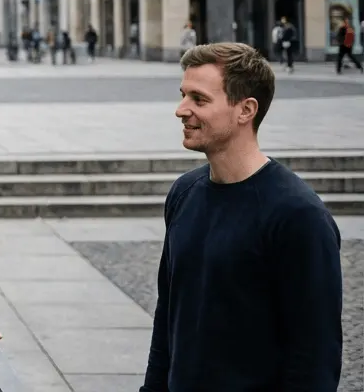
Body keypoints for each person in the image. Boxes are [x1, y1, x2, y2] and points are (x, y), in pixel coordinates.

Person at [139, 42, 342, 392]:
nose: (181, 110)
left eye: (199, 99)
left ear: (246, 110)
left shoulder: (298, 215)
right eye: (183, 95)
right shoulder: (184, 193)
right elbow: (168, 317)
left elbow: (314, 357)